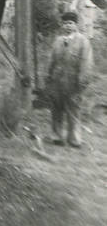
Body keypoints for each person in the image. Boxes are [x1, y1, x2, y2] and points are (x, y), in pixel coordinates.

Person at [45, 11, 93, 148]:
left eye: (71, 23)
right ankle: (57, 137)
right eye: (65, 23)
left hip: (74, 82)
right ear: (62, 25)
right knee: (56, 109)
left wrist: (82, 82)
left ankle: (74, 139)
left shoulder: (83, 42)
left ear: (76, 25)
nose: (68, 26)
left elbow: (86, 64)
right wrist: (48, 78)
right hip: (57, 81)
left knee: (74, 110)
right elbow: (51, 61)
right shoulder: (58, 41)